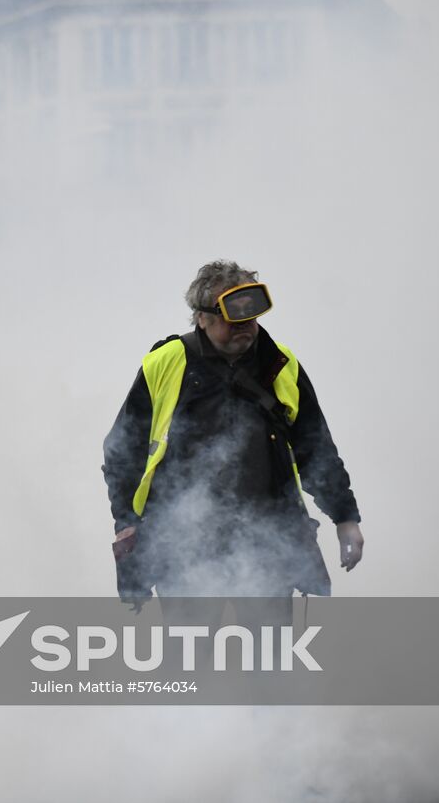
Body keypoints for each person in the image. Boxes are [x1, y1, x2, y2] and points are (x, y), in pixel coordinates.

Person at [103, 260, 364, 617]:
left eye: (252, 318)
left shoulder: (280, 364)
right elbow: (122, 450)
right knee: (189, 662)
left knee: (269, 665)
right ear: (202, 317)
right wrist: (126, 522)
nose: (246, 328)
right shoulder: (165, 364)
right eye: (232, 319)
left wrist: (345, 517)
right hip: (183, 547)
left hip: (268, 542)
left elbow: (315, 447)